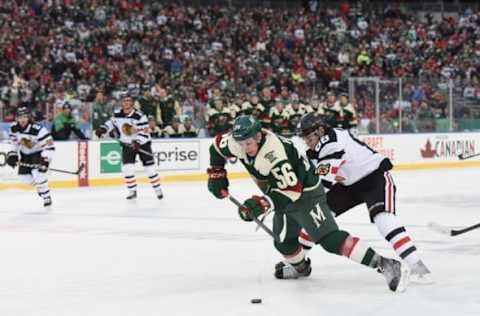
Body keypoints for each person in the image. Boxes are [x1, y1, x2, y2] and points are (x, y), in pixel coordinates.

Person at [207, 115, 409, 292]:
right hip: (280, 191)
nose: (244, 149)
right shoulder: (237, 142)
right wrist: (217, 173)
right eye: (240, 143)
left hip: (306, 193)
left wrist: (262, 203)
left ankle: (385, 264)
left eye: (248, 144)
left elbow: (292, 191)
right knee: (284, 243)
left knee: (329, 239)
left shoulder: (275, 153)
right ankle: (301, 268)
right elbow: (216, 148)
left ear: (259, 136)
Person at [297, 112, 432, 283]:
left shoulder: (332, 142)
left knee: (384, 219)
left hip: (374, 178)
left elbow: (322, 185)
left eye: (309, 136)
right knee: (317, 217)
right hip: (348, 186)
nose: (306, 141)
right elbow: (317, 179)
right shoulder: (315, 150)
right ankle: (299, 263)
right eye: (304, 137)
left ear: (321, 130)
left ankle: (418, 267)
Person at [95, 93, 163, 200]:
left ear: (131, 102)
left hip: (143, 144)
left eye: (128, 100)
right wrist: (103, 129)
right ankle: (132, 191)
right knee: (128, 169)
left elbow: (145, 132)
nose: (126, 102)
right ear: (121, 103)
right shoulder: (117, 113)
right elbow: (110, 123)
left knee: (150, 169)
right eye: (124, 100)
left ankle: (158, 189)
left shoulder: (140, 116)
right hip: (127, 145)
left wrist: (137, 142)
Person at [7, 107, 54, 207]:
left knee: (38, 175)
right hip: (25, 155)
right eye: (20, 117)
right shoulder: (13, 128)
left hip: (38, 153)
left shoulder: (38, 129)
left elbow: (50, 146)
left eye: (25, 117)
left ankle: (46, 196)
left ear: (29, 117)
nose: (23, 119)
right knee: (23, 178)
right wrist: (13, 154)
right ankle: (40, 187)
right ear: (17, 118)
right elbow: (14, 143)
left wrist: (45, 159)